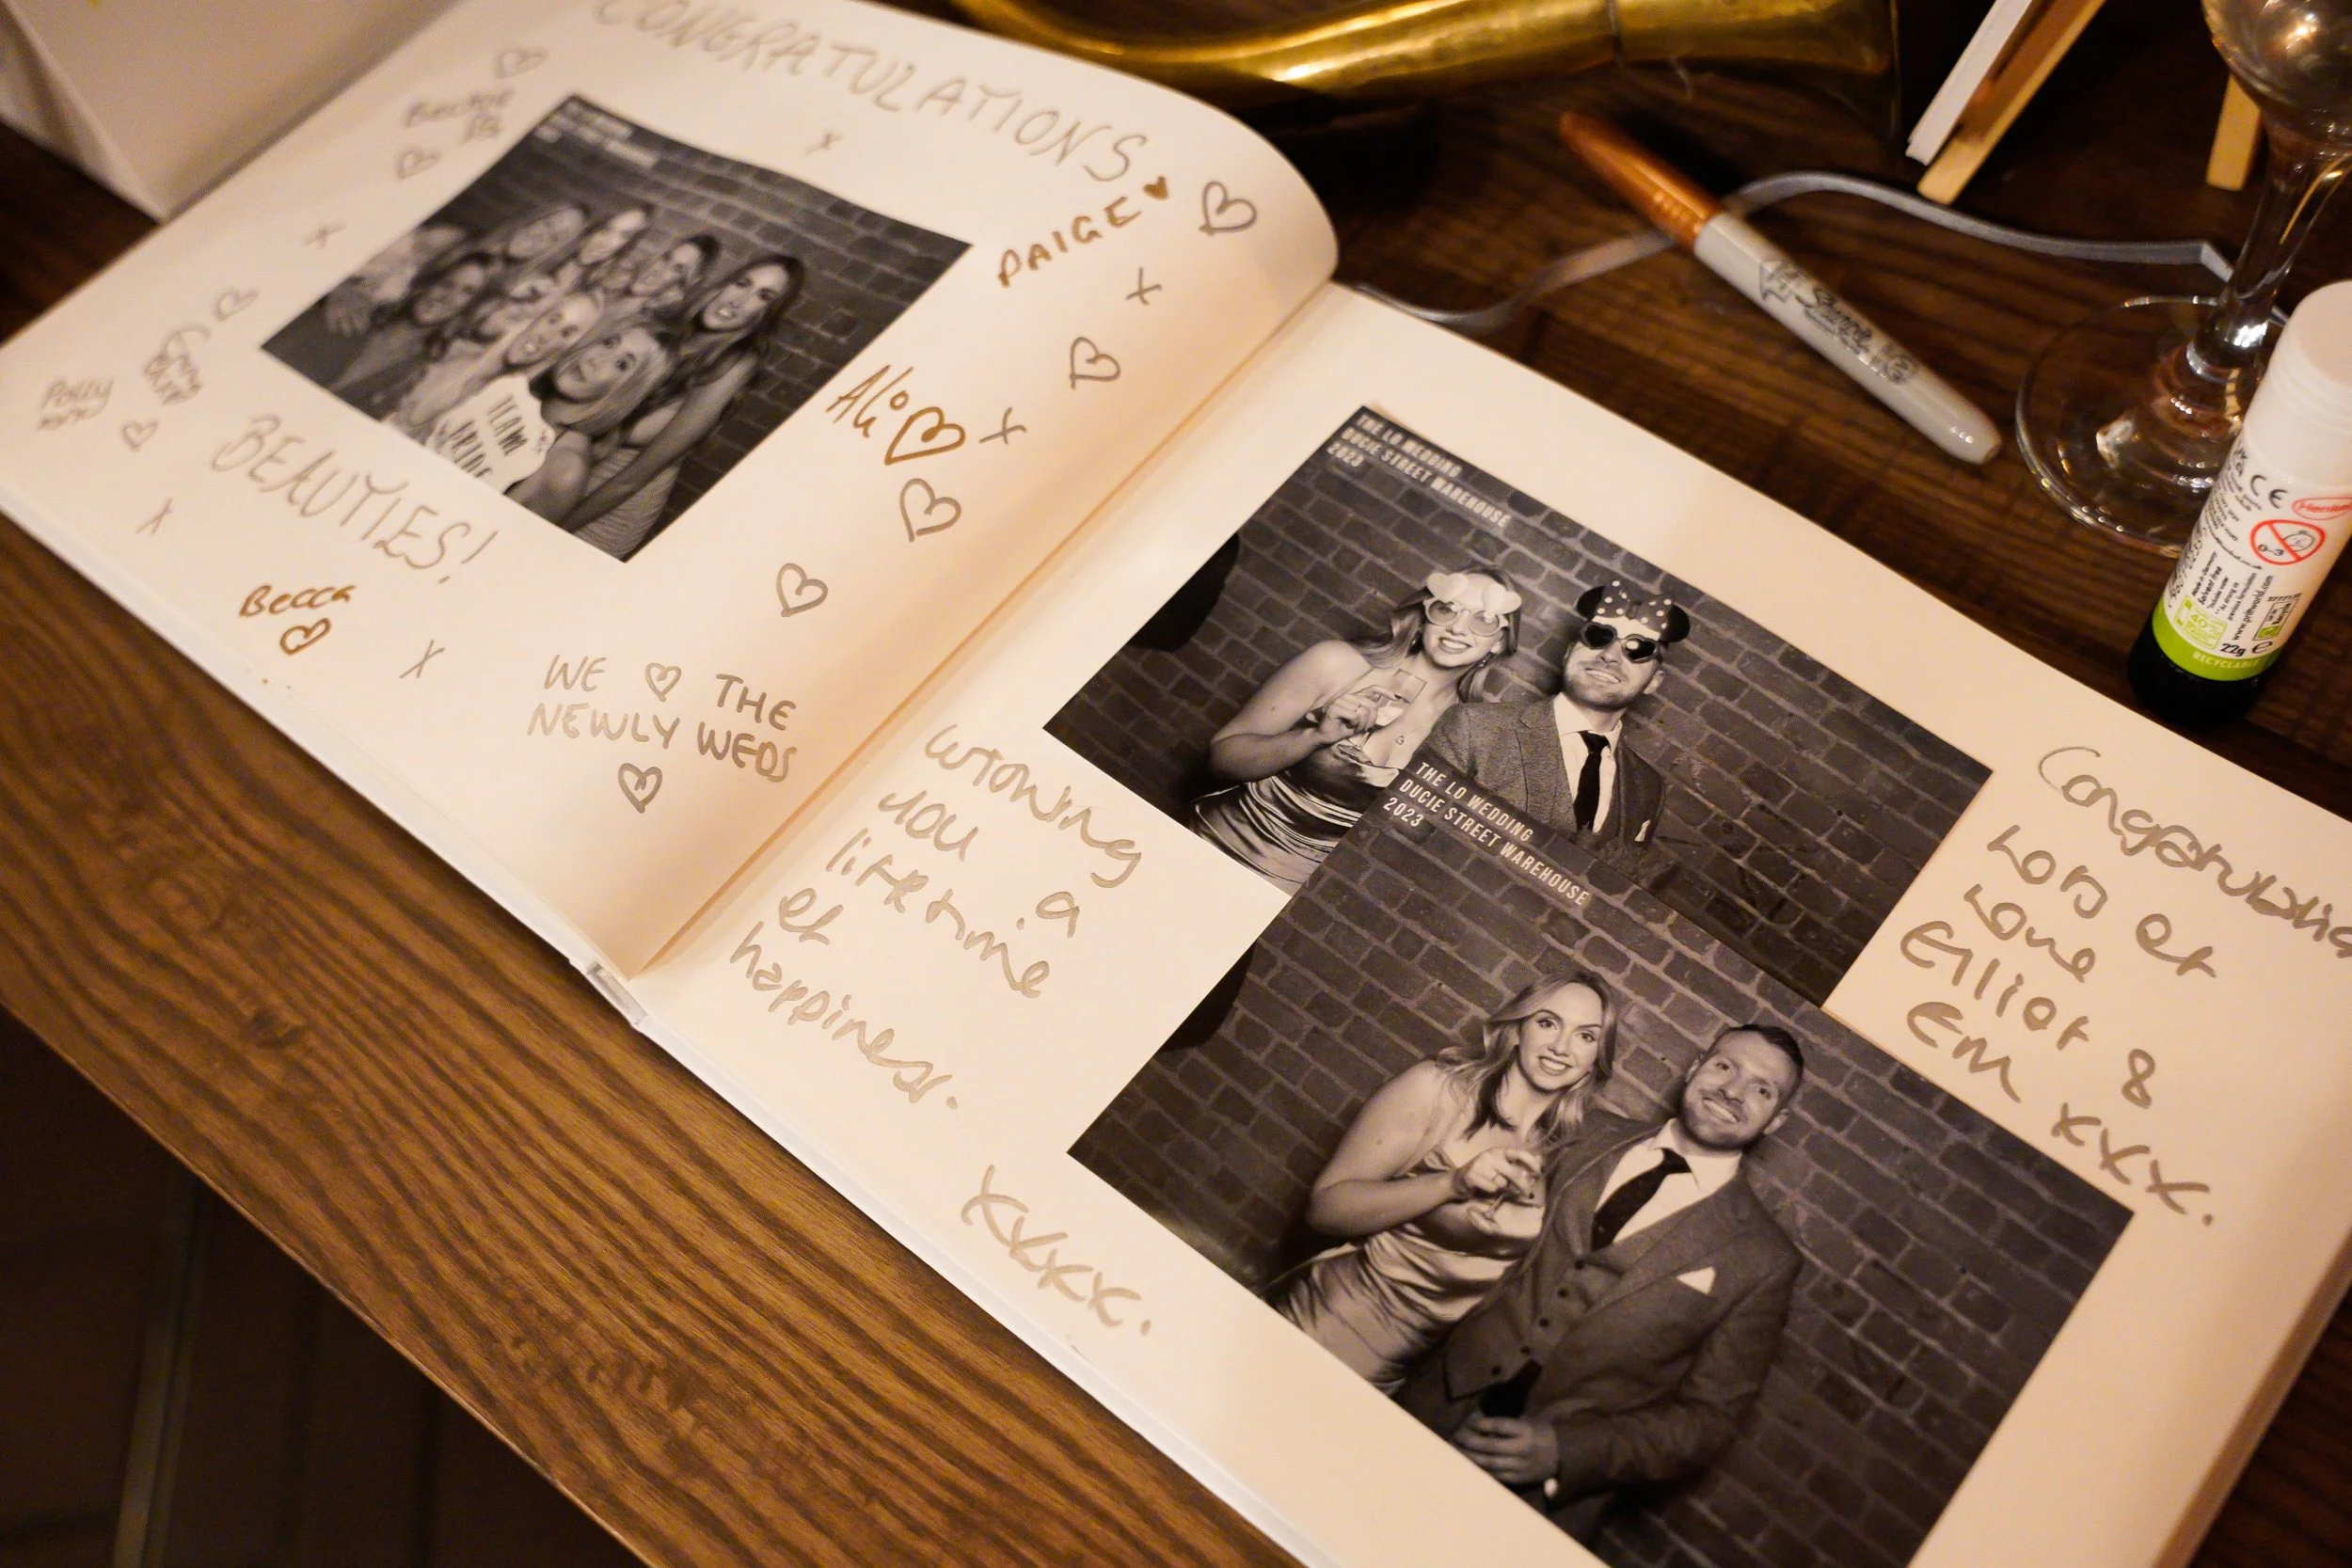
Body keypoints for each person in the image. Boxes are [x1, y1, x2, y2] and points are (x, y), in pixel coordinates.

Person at [1398, 1023, 1804, 1540]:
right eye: (1725, 1066)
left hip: (1534, 1506)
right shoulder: (1583, 1131)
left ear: (1776, 1121)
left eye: (1761, 1089)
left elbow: (1708, 1420)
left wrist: (1568, 1452)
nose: (1732, 1090)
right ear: (1696, 1065)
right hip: (1428, 1407)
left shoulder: (1764, 1259)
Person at [1275, 974, 1619, 1392]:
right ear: (1517, 1030)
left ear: (1595, 1058)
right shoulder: (1439, 1089)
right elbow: (1326, 1210)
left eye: (1585, 1036)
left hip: (1403, 1377)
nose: (1561, 1047)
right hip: (1324, 1329)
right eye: (1548, 1023)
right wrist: (1453, 1183)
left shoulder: (1564, 1149)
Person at [1192, 569, 1522, 894]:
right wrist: (1315, 736)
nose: (1458, 628)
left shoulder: (1468, 735)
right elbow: (1221, 760)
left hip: (1293, 900)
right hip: (1213, 850)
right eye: (1446, 609)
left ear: (1498, 642)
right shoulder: (1337, 663)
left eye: (1484, 619)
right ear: (1424, 618)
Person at [562, 254, 803, 560]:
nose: (739, 300)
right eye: (742, 283)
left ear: (765, 315)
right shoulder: (669, 332)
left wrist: (555, 529)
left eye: (763, 297)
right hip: (567, 477)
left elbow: (634, 478)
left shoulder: (735, 363)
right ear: (723, 285)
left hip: (602, 512)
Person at [1422, 580, 1688, 847]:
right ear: (1569, 653)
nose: (1609, 655)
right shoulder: (1473, 727)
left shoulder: (1648, 788)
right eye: (1598, 636)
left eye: (1638, 648)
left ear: (1655, 681)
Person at [503, 326, 675, 528]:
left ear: (627, 391)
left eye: (621, 364)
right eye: (608, 342)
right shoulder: (513, 394)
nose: (596, 360)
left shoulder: (566, 469)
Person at [384, 291, 600, 439]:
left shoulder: (509, 418)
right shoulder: (449, 353)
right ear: (536, 317)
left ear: (563, 353)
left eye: (566, 333)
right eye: (553, 320)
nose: (547, 336)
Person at [322, 249, 497, 412]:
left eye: (467, 293)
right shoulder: (356, 309)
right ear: (427, 282)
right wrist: (334, 288)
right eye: (446, 284)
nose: (448, 298)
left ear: (474, 306)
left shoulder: (423, 374)